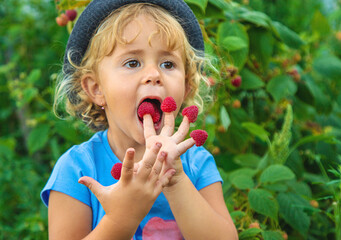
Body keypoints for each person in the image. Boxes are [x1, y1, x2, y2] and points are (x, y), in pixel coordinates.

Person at [41, 0, 238, 239]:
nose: (154, 74)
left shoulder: (196, 164)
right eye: (132, 62)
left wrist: (175, 180)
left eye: (168, 64)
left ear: (186, 87)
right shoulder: (76, 169)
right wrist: (121, 218)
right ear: (96, 89)